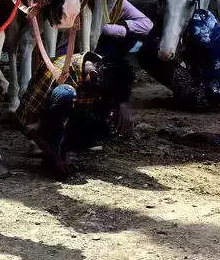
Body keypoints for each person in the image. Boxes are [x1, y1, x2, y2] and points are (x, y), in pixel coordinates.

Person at [16, 51, 133, 179]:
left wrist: (121, 104)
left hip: (75, 117)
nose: (102, 97)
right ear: (93, 75)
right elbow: (26, 120)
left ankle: (65, 150)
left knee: (110, 124)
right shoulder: (57, 72)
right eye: (103, 94)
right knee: (65, 94)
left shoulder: (105, 67)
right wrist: (53, 155)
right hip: (49, 121)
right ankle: (52, 153)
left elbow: (119, 84)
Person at [138, 8, 220, 111]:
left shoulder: (190, 29)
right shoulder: (204, 15)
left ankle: (192, 100)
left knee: (148, 55)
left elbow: (156, 49)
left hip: (203, 96)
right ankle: (212, 98)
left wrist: (158, 27)